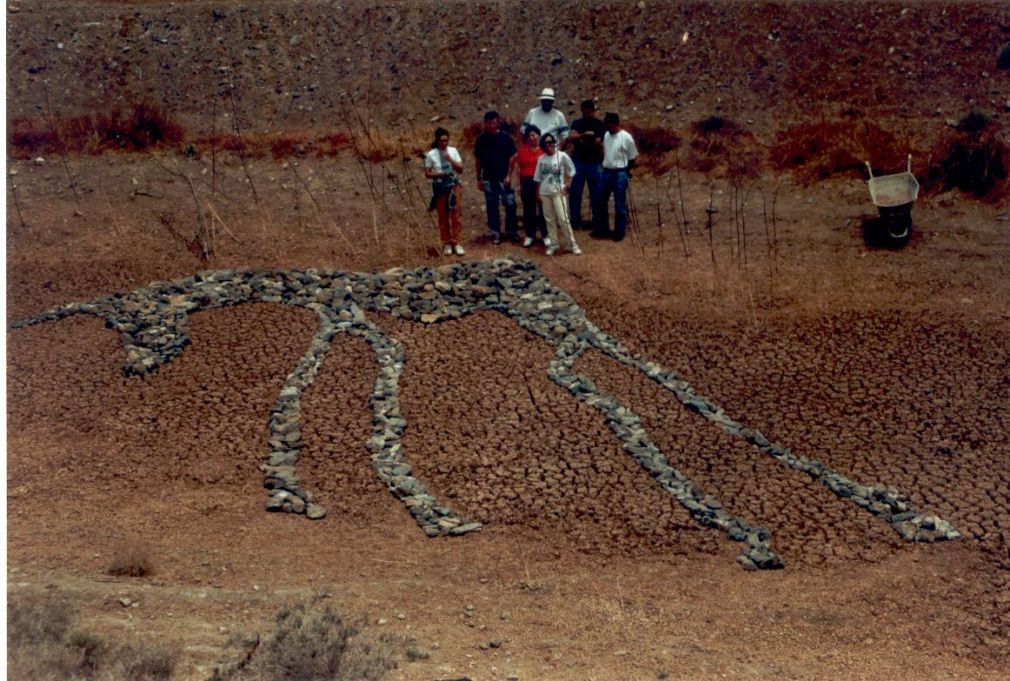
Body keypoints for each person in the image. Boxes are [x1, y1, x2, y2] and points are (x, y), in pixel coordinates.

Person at [473, 111, 518, 244]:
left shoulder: (505, 138)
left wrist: (509, 175)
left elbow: (513, 156)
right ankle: (495, 233)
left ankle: (511, 231)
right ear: (485, 123)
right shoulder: (481, 140)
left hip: (503, 178)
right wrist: (478, 178)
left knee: (510, 204)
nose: (492, 125)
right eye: (489, 123)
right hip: (488, 178)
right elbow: (478, 159)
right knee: (492, 206)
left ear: (498, 122)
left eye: (494, 123)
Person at [593, 112, 638, 242]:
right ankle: (602, 228)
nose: (607, 128)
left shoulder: (626, 137)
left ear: (616, 124)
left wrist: (626, 171)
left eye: (610, 125)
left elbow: (632, 157)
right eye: (606, 125)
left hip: (620, 172)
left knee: (619, 204)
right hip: (606, 171)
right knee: (600, 201)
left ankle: (619, 231)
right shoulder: (607, 135)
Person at [533, 133, 581, 256]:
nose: (549, 145)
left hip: (558, 192)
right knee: (549, 219)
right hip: (545, 192)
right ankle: (553, 244)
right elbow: (538, 177)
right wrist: (537, 192)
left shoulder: (562, 156)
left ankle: (572, 244)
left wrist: (568, 186)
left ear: (554, 143)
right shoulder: (541, 159)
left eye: (551, 142)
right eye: (546, 143)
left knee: (563, 218)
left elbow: (572, 171)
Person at [565, 98, 606, 230]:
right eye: (585, 113)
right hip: (578, 161)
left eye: (590, 113)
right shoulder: (577, 123)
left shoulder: (599, 124)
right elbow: (570, 137)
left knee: (596, 192)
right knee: (575, 192)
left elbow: (600, 140)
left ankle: (597, 219)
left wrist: (590, 138)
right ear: (582, 111)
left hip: (594, 162)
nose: (588, 115)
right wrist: (584, 135)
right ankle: (575, 220)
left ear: (594, 111)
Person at [423, 127, 465, 256]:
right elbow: (427, 174)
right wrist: (439, 174)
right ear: (437, 140)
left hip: (453, 185)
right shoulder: (431, 154)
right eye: (442, 141)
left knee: (456, 215)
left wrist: (449, 159)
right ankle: (446, 242)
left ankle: (456, 242)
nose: (444, 143)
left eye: (446, 140)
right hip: (440, 187)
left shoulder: (453, 151)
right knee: (443, 216)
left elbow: (460, 169)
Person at [509, 125, 547, 248]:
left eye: (534, 135)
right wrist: (520, 185)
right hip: (527, 181)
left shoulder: (544, 151)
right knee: (528, 210)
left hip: (541, 182)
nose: (531, 138)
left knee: (543, 210)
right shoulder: (522, 151)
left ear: (538, 136)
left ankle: (545, 235)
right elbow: (520, 169)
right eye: (529, 136)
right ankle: (530, 235)